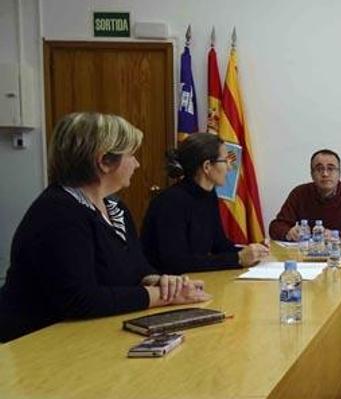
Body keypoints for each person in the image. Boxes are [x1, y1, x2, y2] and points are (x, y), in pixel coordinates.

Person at [0, 112, 209, 343]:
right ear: (104, 161)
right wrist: (164, 297)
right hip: (39, 344)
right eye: (131, 155)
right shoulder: (58, 213)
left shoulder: (114, 206)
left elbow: (137, 267)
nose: (137, 164)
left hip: (91, 336)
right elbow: (80, 299)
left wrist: (159, 281)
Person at [141, 133, 270, 274]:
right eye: (225, 160)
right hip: (165, 287)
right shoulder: (170, 203)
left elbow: (219, 244)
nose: (230, 167)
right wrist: (237, 259)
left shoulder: (209, 195)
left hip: (192, 281)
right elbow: (177, 263)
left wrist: (252, 251)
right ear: (207, 166)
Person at [268, 149, 341, 242]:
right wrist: (288, 232)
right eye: (319, 169)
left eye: (331, 168)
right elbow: (276, 226)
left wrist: (337, 235)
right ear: (311, 174)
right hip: (309, 257)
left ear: (339, 173)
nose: (325, 174)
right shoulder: (299, 193)